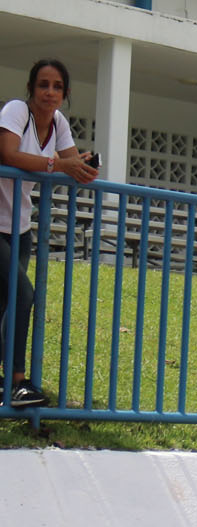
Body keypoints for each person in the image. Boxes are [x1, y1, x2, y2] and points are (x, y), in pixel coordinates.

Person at [0, 58, 98, 408]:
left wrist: (84, 167)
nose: (49, 92)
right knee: (23, 294)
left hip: (19, 226)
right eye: (43, 85)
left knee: (6, 303)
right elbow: (8, 153)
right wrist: (60, 164)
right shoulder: (15, 112)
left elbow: (72, 163)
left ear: (65, 94)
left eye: (57, 87)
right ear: (31, 89)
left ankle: (4, 382)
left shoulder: (57, 123)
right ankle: (17, 382)